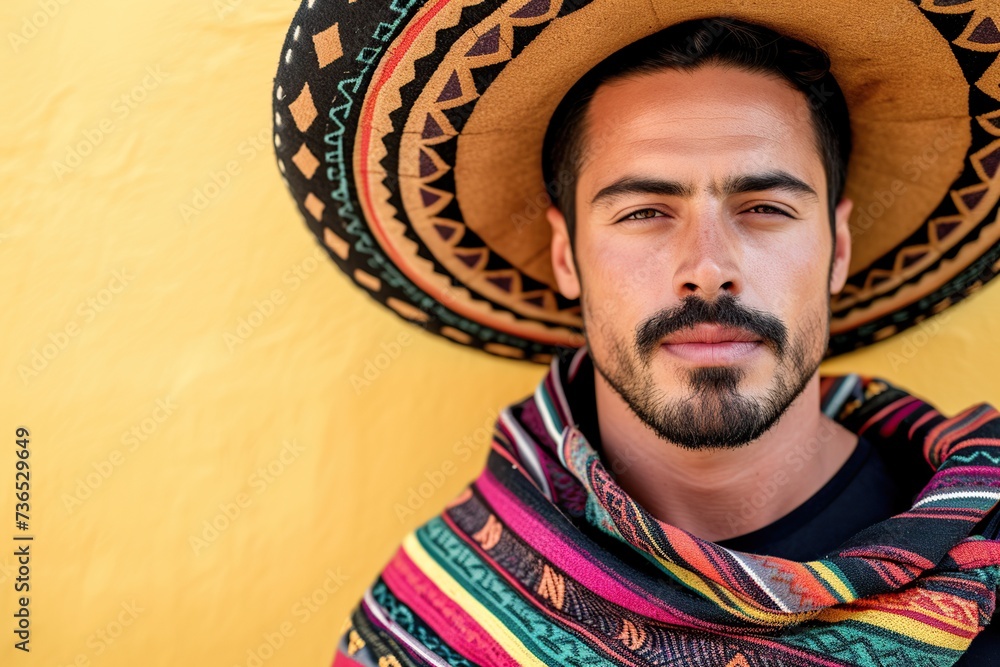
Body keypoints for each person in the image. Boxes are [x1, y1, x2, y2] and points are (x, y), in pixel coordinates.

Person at [273, 4, 1000, 666]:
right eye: (645, 212)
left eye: (766, 207)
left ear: (838, 246)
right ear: (567, 254)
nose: (709, 269)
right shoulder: (439, 629)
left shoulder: (985, 553)